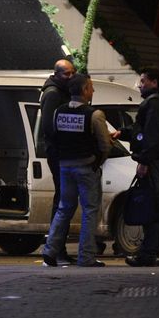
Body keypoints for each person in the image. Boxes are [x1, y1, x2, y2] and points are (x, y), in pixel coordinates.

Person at [111, 67, 159, 267]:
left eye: (142, 81)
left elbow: (152, 135)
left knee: (155, 207)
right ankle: (157, 252)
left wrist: (144, 161)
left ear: (154, 83)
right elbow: (142, 131)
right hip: (156, 162)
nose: (139, 85)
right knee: (156, 208)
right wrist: (122, 133)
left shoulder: (154, 104)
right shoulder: (157, 104)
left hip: (153, 163)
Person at [41, 73, 111, 267]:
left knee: (64, 208)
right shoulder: (94, 114)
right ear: (84, 90)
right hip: (86, 167)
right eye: (91, 87)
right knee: (90, 210)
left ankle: (50, 250)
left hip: (65, 167)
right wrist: (97, 162)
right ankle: (86, 256)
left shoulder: (58, 112)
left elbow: (54, 137)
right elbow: (105, 145)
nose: (93, 90)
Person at [40, 59, 76, 264]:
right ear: (56, 74)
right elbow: (48, 127)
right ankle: (56, 248)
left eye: (72, 73)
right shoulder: (53, 94)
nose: (70, 77)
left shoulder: (59, 92)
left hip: (60, 153)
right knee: (63, 200)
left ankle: (57, 248)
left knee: (63, 199)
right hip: (59, 154)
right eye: (66, 74)